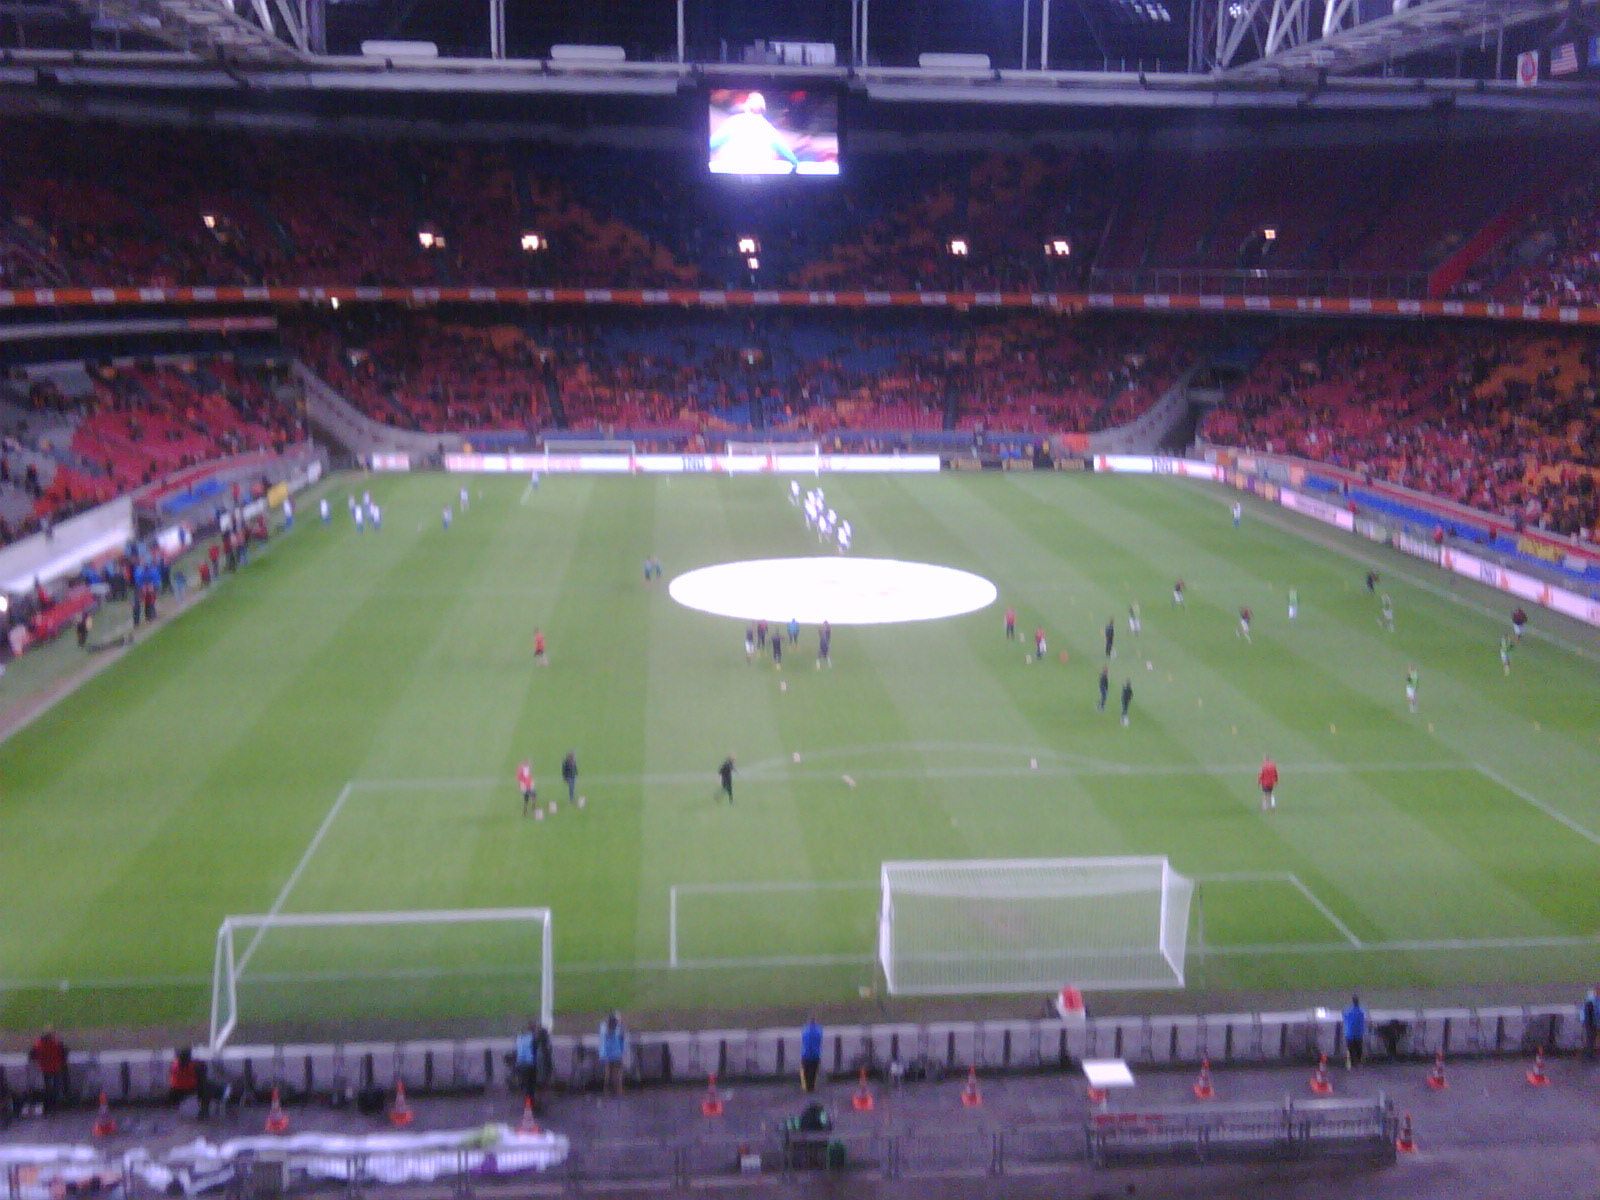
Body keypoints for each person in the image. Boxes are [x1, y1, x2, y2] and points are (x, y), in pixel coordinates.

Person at [167, 1047, 215, 1119]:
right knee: (208, 1086)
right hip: (189, 1089)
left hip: (175, 1091)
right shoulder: (196, 1066)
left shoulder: (173, 1065)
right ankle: (204, 1111)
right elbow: (202, 1079)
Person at [28, 1029, 68, 1112]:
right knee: (57, 1086)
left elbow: (32, 1055)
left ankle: (49, 1103)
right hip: (56, 1067)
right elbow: (64, 1052)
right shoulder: (57, 1043)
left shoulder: (38, 1045)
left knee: (47, 1087)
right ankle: (56, 1103)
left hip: (45, 1068)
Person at [514, 1021, 549, 1105]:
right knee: (530, 1087)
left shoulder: (519, 1038)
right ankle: (529, 1104)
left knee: (526, 1086)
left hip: (520, 1064)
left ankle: (529, 1102)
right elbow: (537, 1048)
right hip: (529, 1065)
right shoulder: (532, 1038)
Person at [598, 1012, 627, 1096]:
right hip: (616, 1054)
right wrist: (623, 1051)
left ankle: (607, 1090)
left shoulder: (603, 1028)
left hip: (606, 1054)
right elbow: (622, 1040)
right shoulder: (618, 1030)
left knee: (608, 1072)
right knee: (617, 1073)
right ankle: (618, 1090)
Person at [800, 1017, 824, 1093]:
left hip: (806, 1054)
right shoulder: (819, 1030)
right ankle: (812, 1087)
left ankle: (807, 1087)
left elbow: (803, 1038)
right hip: (815, 1055)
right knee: (813, 1072)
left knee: (806, 1072)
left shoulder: (805, 1030)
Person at [1342, 995, 1367, 1068]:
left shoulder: (1347, 1011)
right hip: (1359, 1034)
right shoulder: (1362, 1011)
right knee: (1359, 1049)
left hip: (1349, 1034)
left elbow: (1344, 1016)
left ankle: (1352, 1063)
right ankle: (1358, 1063)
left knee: (1350, 1049)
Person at [1583, 985, 1600, 1060]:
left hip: (1595, 1022)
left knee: (1592, 1039)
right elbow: (1588, 1013)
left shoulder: (1594, 1000)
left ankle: (1590, 1055)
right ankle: (1589, 1055)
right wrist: (1588, 1023)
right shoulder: (1591, 1001)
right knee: (1590, 1039)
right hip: (1592, 1023)